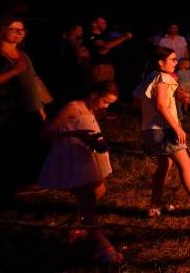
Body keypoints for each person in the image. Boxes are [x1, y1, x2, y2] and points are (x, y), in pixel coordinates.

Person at [38, 81, 124, 265]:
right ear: (94, 95)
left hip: (87, 159)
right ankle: (104, 247)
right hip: (75, 161)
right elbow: (47, 132)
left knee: (99, 190)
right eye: (105, 102)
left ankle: (75, 226)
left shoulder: (90, 109)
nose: (106, 106)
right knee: (89, 201)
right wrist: (75, 135)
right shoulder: (73, 107)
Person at [133, 46, 190, 217]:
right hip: (164, 130)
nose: (176, 62)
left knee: (164, 165)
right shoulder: (163, 77)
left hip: (150, 130)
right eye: (172, 59)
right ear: (160, 62)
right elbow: (161, 105)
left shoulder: (149, 77)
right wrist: (177, 127)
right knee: (186, 165)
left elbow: (136, 100)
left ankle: (155, 205)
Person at [0, 17, 49, 201]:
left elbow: (33, 80)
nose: (18, 32)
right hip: (6, 109)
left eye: (21, 29)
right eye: (13, 29)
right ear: (1, 31)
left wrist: (40, 105)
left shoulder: (23, 54)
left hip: (29, 109)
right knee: (11, 147)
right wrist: (14, 71)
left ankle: (31, 182)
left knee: (33, 145)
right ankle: (10, 186)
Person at [85, 17, 132, 84]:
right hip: (99, 68)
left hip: (108, 68)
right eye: (103, 23)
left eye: (106, 23)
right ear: (94, 24)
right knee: (101, 88)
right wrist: (124, 37)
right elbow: (104, 46)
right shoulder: (91, 36)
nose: (105, 25)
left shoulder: (105, 37)